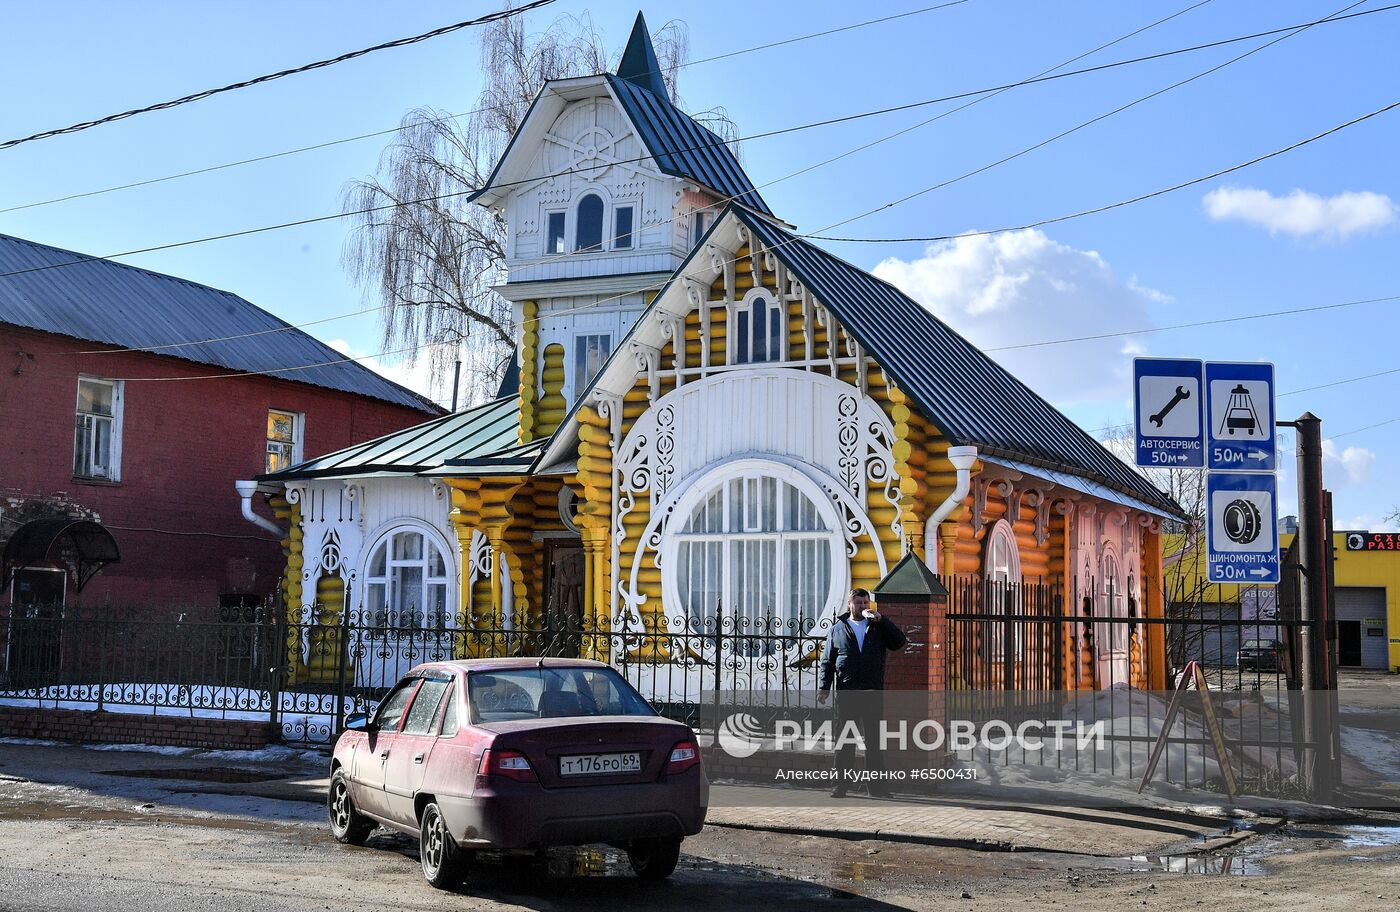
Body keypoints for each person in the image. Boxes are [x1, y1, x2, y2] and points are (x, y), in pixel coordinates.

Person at [818, 588, 907, 798]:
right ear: (850, 604)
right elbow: (827, 661)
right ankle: (840, 785)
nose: (864, 606)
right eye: (859, 603)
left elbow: (899, 642)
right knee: (845, 741)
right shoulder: (838, 629)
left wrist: (882, 620)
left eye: (866, 602)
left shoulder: (877, 627)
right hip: (847, 693)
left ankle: (877, 788)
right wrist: (824, 687)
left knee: (874, 742)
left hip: (872, 692)